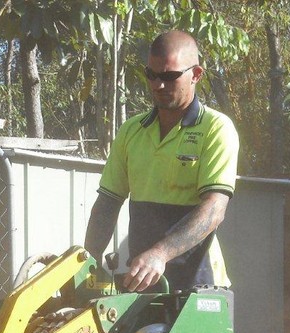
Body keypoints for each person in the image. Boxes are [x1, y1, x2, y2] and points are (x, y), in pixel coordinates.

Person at [84, 30, 239, 292]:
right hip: (143, 280)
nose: (158, 85)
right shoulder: (132, 131)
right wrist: (88, 260)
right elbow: (108, 202)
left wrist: (160, 253)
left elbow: (214, 209)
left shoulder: (216, 128)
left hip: (199, 285)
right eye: (152, 75)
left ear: (196, 75)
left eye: (169, 76)